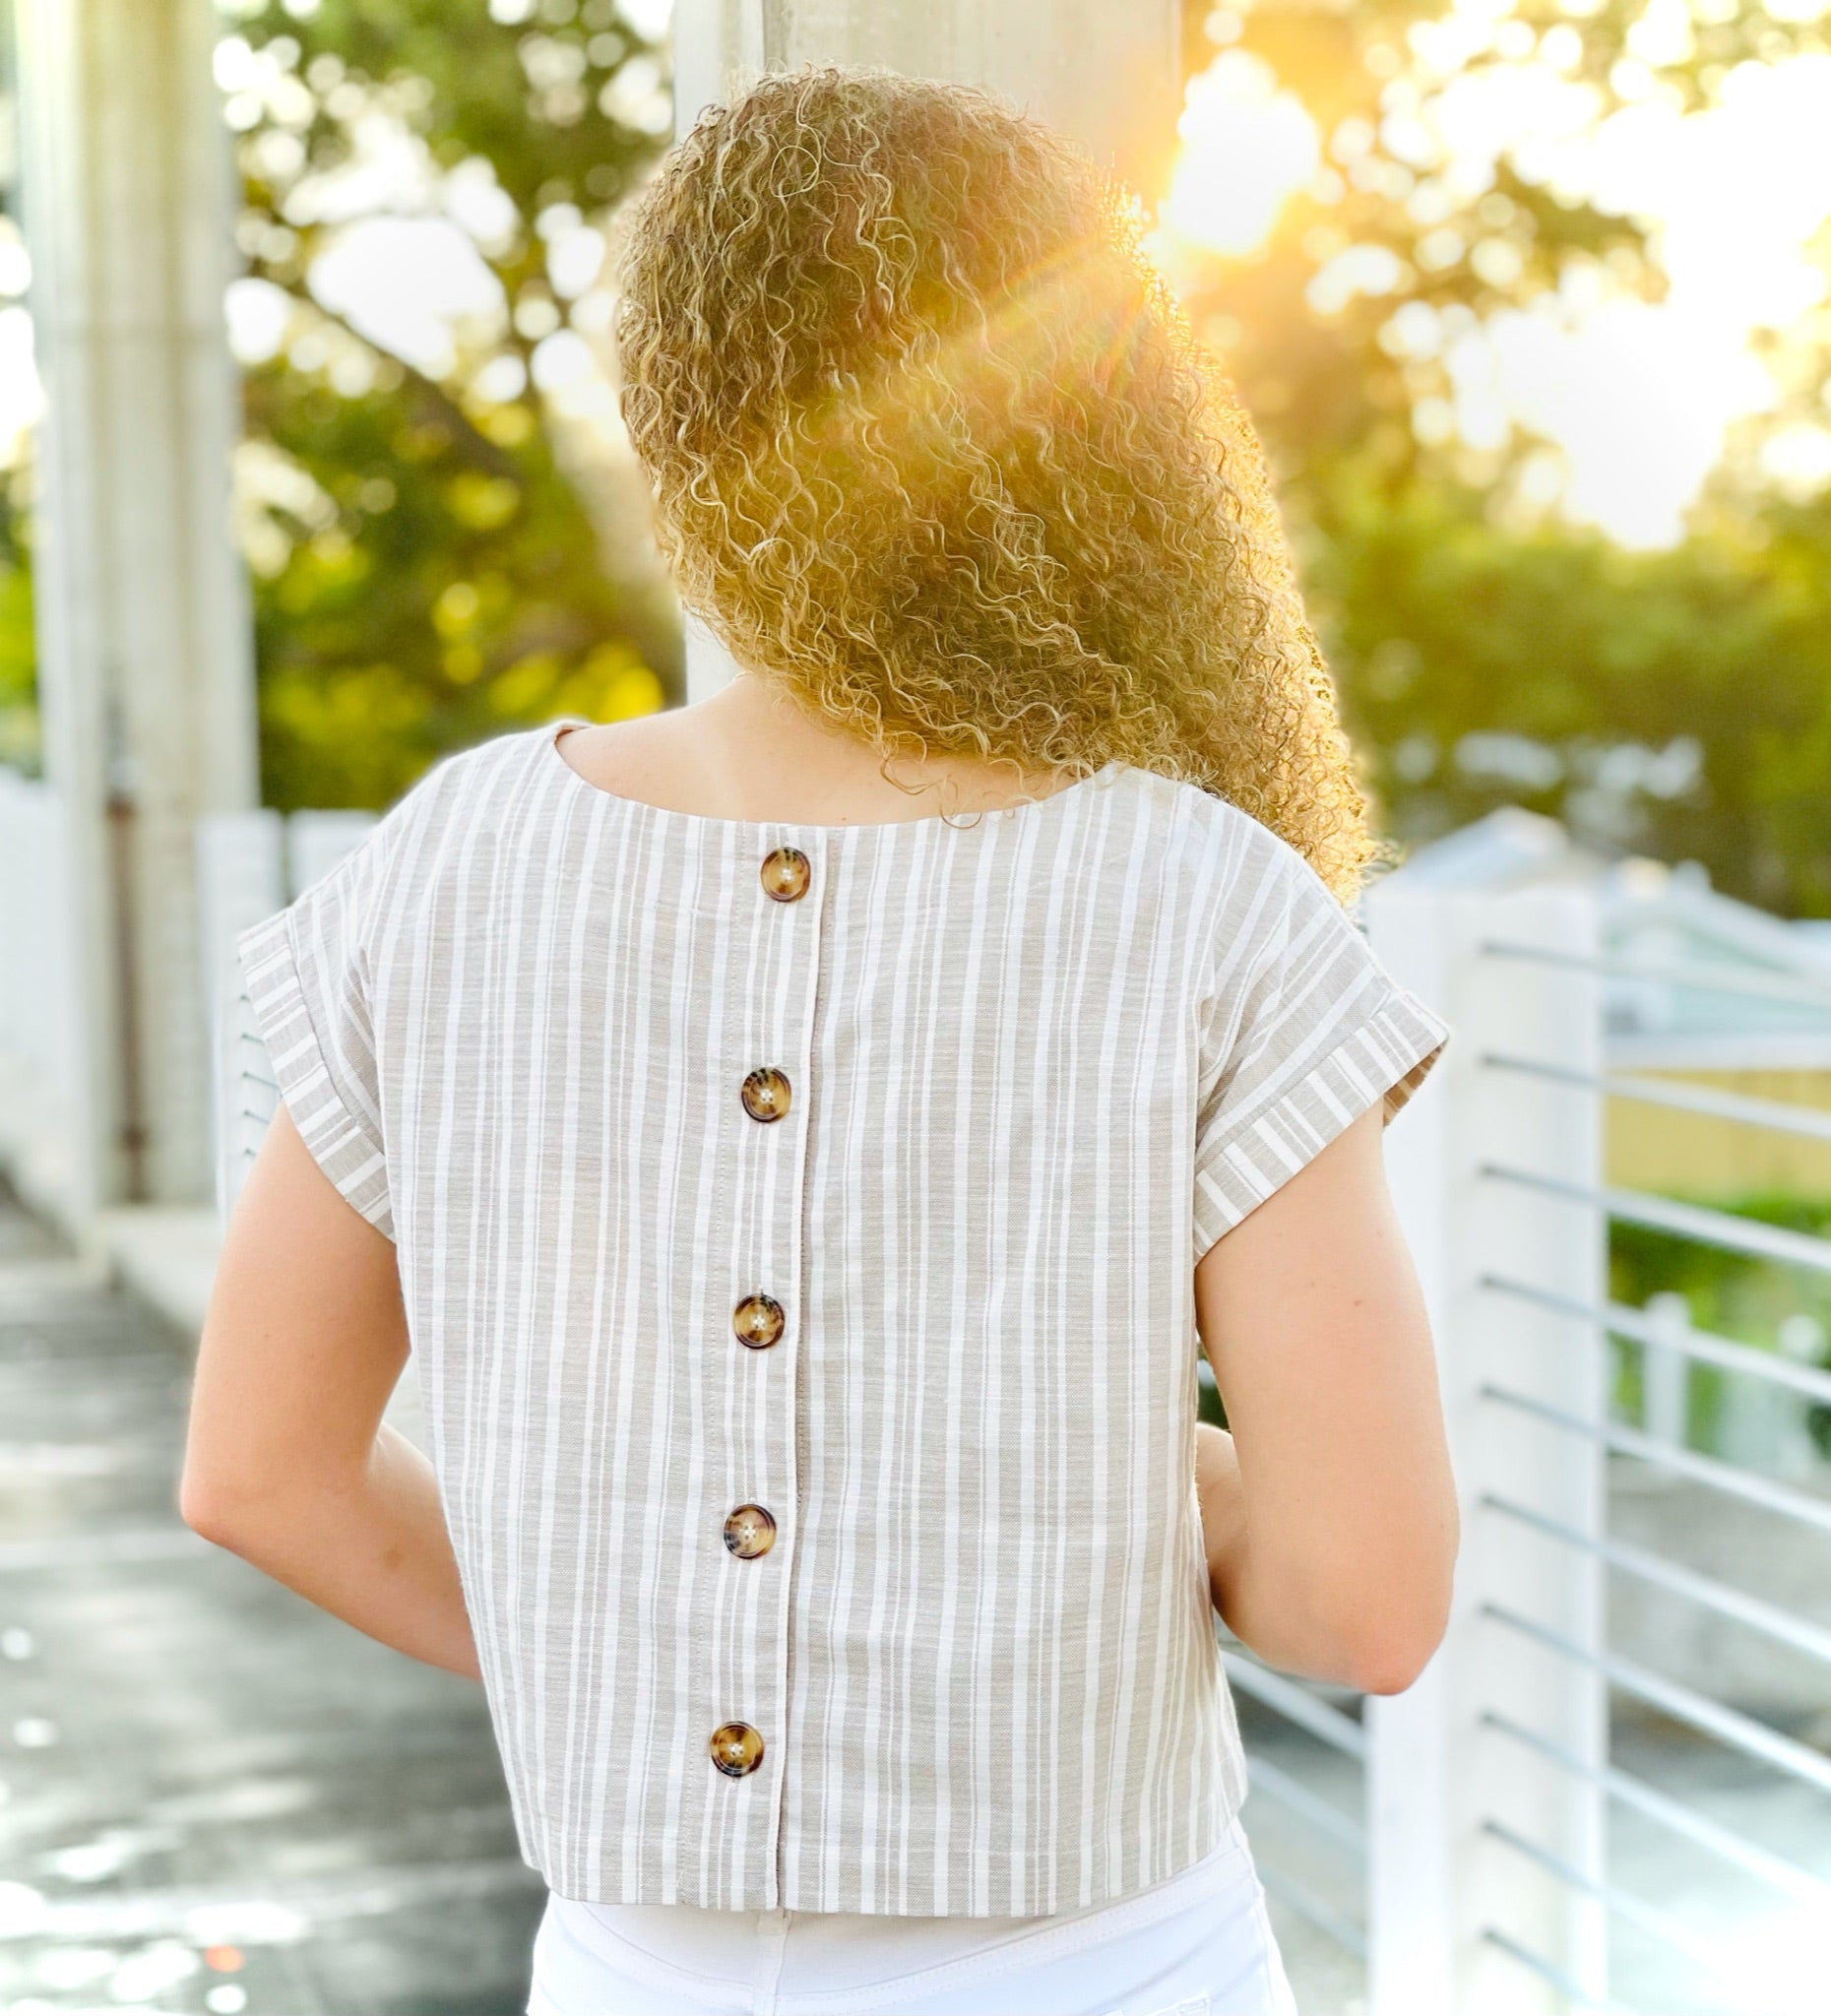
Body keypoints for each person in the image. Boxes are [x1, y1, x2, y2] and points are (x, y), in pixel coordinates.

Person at [182, 63, 1458, 2016]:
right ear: (1098, 429)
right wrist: (1174, 1485)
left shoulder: (444, 864)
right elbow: (1362, 1599)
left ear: (677, 436)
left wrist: (625, 1635)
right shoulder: (1201, 902)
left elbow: (257, 1472)